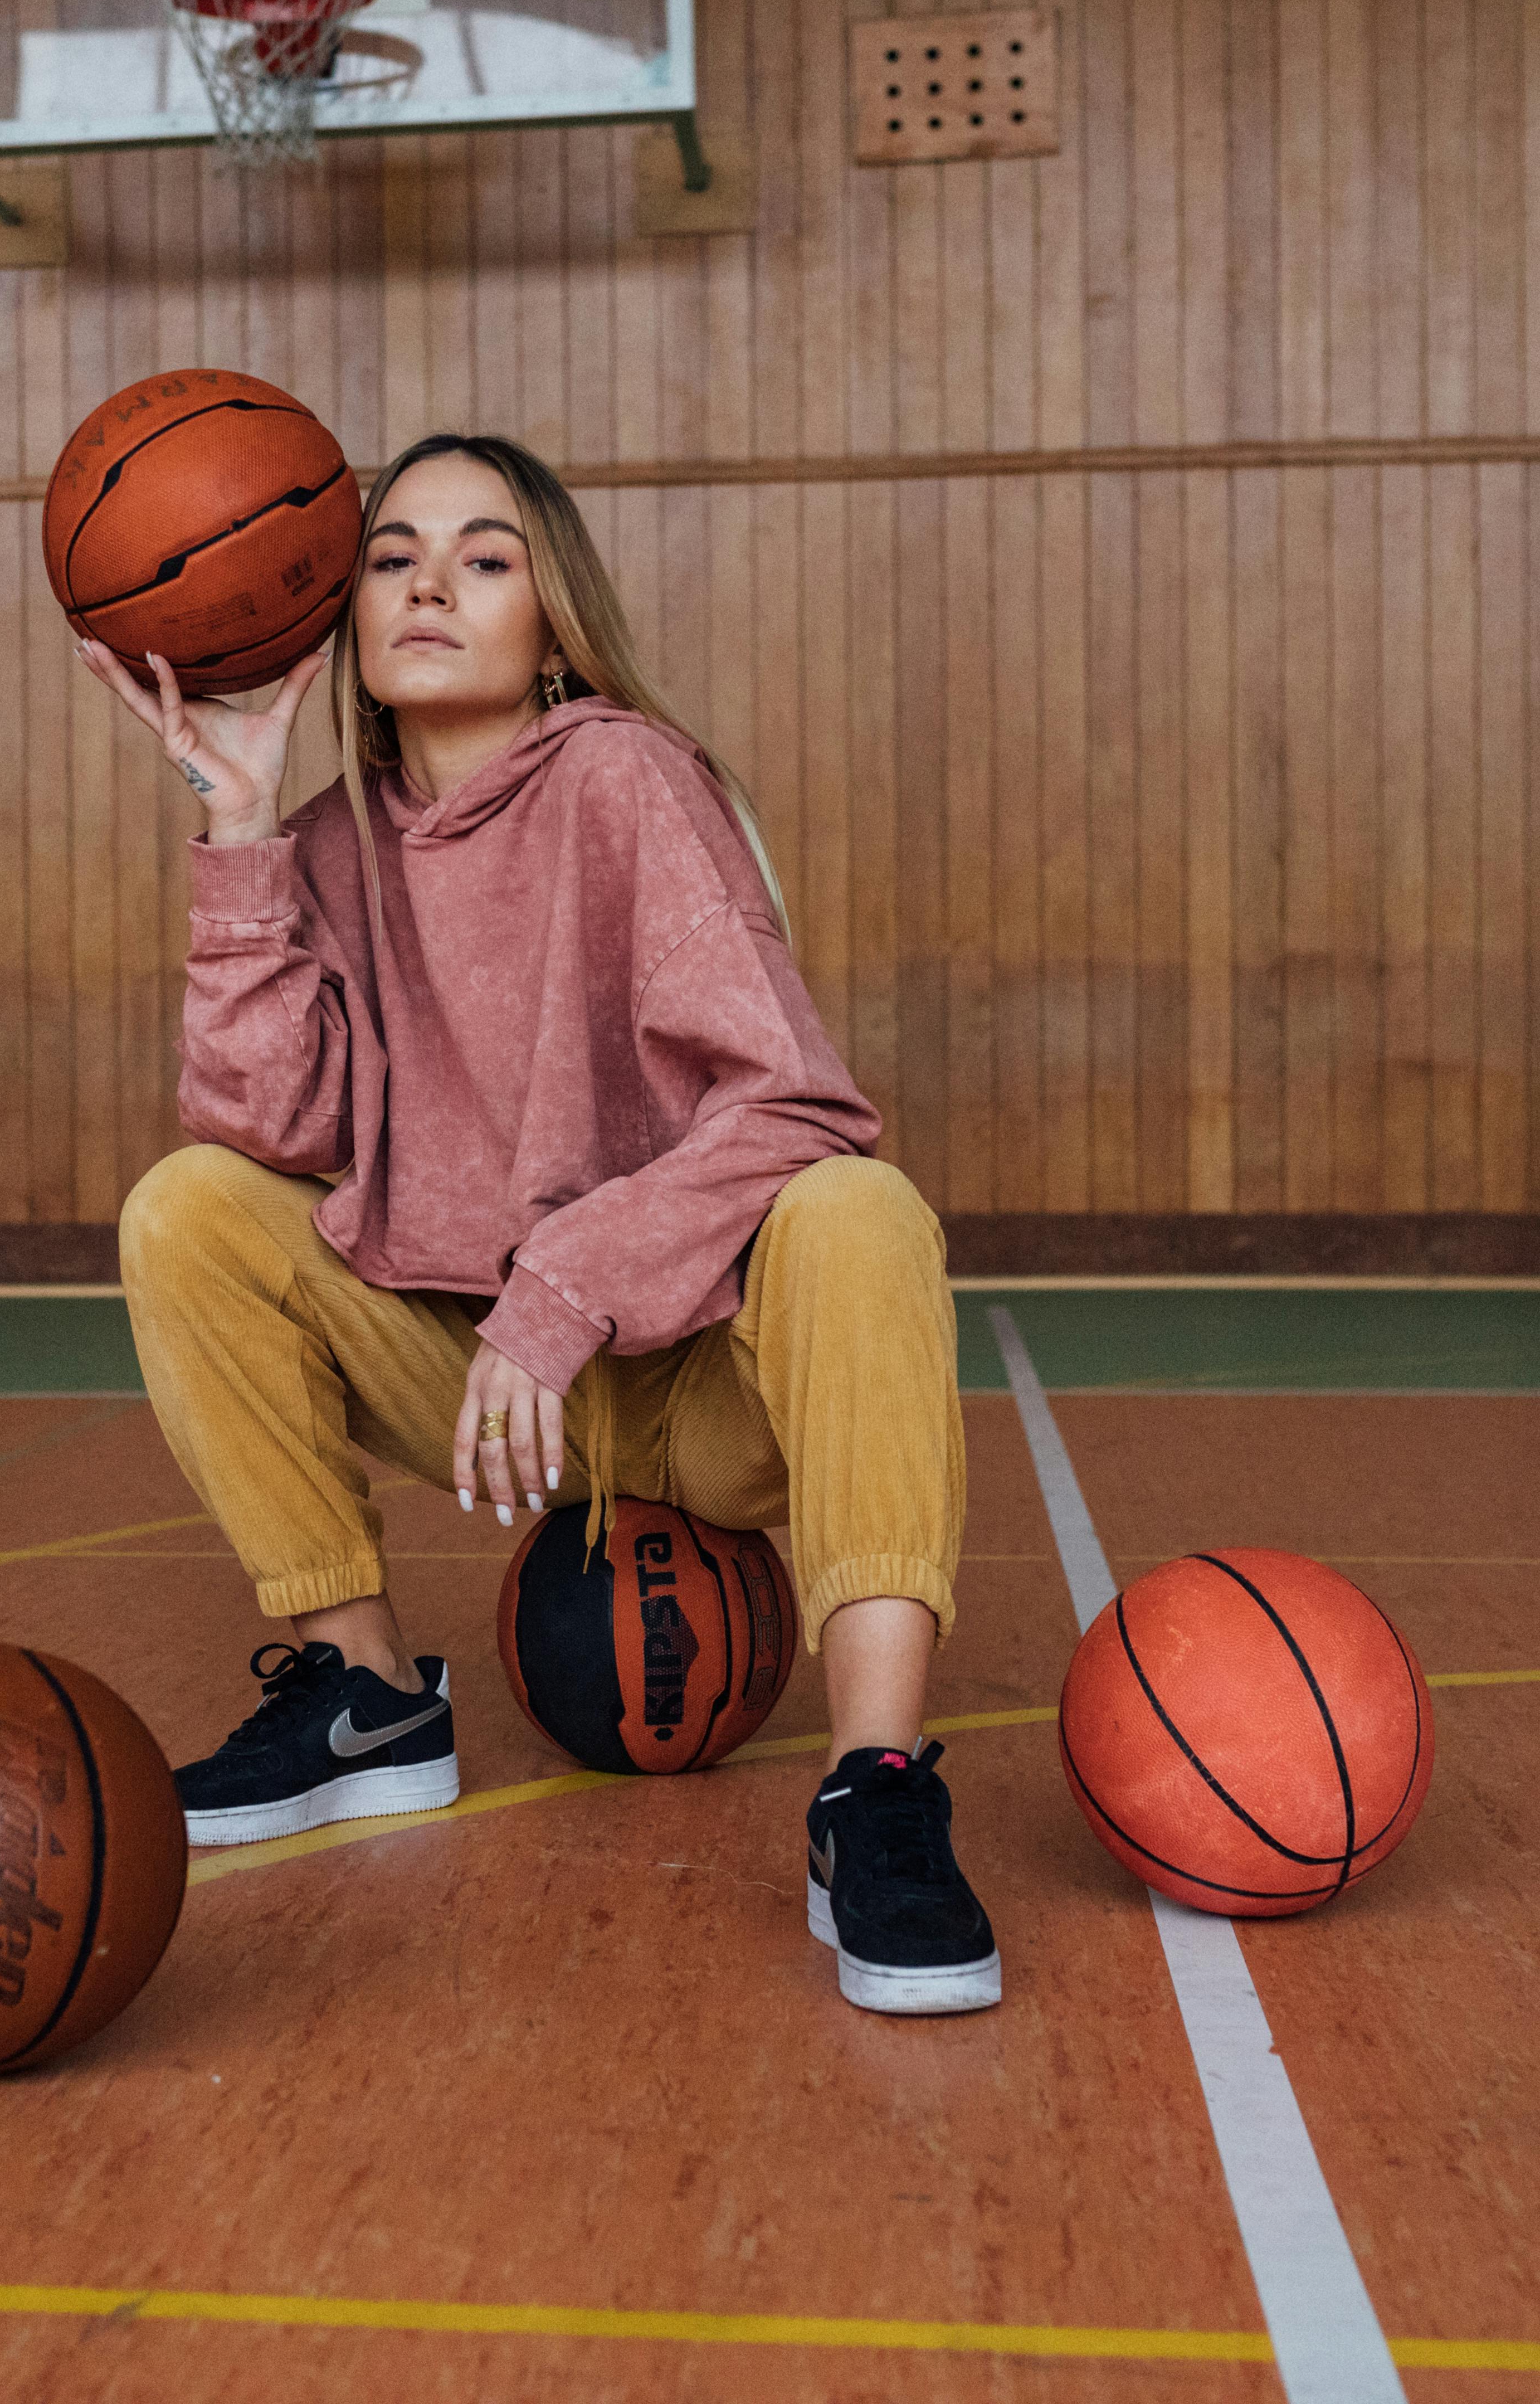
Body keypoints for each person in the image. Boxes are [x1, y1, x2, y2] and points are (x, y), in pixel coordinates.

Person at [79, 432, 994, 2016]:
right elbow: (270, 1131)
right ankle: (366, 1695)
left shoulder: (629, 778)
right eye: (393, 555)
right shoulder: (324, 846)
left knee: (859, 1210)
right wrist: (235, 834)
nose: (431, 580)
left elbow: (797, 1105)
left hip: (701, 1382)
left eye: (486, 556)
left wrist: (566, 1285)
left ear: (551, 622)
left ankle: (879, 1791)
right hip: (493, 1395)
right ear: (340, 614)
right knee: (187, 1211)